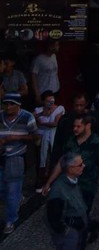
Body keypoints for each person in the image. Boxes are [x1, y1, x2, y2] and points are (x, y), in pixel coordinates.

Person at [42, 114, 99, 213]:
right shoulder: (70, 141)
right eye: (74, 126)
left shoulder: (97, 143)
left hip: (87, 186)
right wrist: (49, 182)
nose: (75, 129)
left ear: (88, 126)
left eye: (78, 126)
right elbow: (62, 161)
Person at [0, 92, 38, 233]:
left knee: (12, 189)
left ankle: (10, 220)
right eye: (6, 104)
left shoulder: (27, 117)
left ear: (18, 105)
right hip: (0, 156)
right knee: (3, 189)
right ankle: (18, 198)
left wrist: (14, 137)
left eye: (11, 104)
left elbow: (35, 136)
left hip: (15, 156)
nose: (8, 107)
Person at [45, 152, 89, 250]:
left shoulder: (73, 181)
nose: (84, 166)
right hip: (70, 235)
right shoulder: (58, 190)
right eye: (80, 164)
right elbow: (54, 219)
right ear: (70, 169)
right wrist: (68, 232)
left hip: (78, 228)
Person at [34, 90, 65, 183]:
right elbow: (32, 118)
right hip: (40, 137)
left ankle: (52, 179)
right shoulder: (38, 110)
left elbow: (56, 123)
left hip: (54, 135)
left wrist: (42, 122)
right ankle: (40, 179)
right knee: (40, 158)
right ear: (43, 101)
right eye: (48, 101)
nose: (50, 103)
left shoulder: (60, 109)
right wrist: (41, 114)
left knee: (53, 157)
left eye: (52, 100)